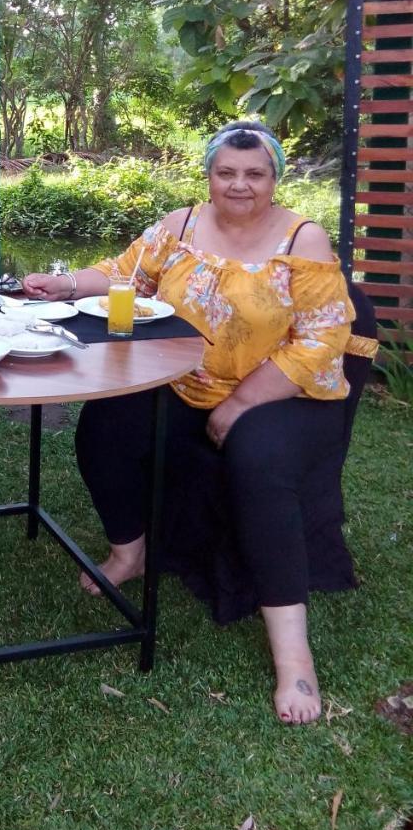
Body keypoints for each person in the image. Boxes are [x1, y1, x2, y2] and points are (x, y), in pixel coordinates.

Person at [23, 121, 354, 726]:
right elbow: (125, 274)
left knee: (257, 459)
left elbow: (321, 342)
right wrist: (63, 284)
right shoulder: (179, 225)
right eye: (227, 172)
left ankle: (293, 653)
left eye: (255, 174)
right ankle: (131, 552)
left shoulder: (302, 240)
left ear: (275, 178)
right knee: (108, 420)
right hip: (190, 382)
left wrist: (239, 404)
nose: (240, 185)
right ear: (209, 174)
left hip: (289, 391)